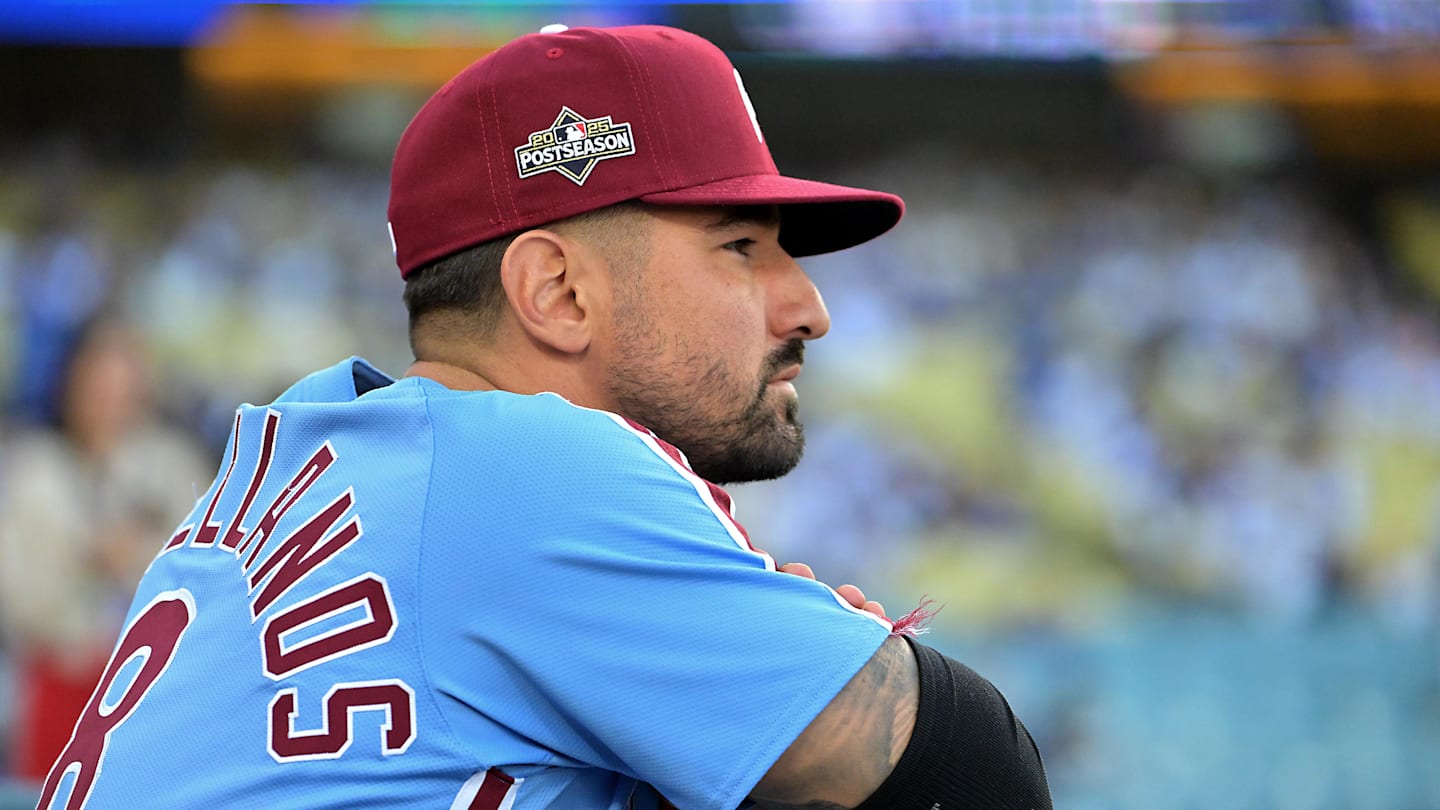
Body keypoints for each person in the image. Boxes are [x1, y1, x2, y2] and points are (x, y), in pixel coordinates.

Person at [36, 25, 1051, 810]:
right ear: (558, 294)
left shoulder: (295, 457)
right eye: (741, 246)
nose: (809, 305)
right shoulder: (523, 468)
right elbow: (981, 776)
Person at [0, 314, 208, 784]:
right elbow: (15, 592)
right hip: (58, 676)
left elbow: (202, 571)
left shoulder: (170, 464)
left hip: (148, 687)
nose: (110, 397)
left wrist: (133, 560)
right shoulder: (36, 468)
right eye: (98, 381)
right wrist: (83, 560)